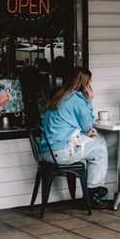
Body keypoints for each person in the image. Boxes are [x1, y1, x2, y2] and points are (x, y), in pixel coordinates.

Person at [40, 67, 109, 206]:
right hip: (61, 153)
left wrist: (85, 132)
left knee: (96, 143)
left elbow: (70, 125)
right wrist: (89, 101)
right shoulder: (77, 99)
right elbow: (88, 126)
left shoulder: (59, 96)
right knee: (100, 145)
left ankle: (92, 188)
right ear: (85, 84)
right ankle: (92, 192)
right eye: (89, 83)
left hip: (47, 152)